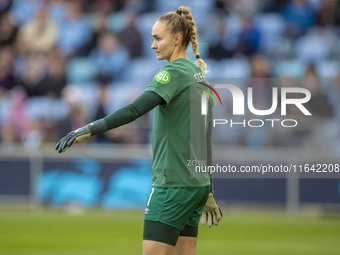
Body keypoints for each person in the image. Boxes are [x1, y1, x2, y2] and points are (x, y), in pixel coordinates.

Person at [55, 6, 222, 255]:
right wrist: (207, 188)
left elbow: (134, 110)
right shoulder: (199, 76)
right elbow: (204, 138)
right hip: (196, 185)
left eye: (157, 38)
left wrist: (89, 129)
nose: (153, 45)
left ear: (177, 39)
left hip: (173, 183)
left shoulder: (173, 73)